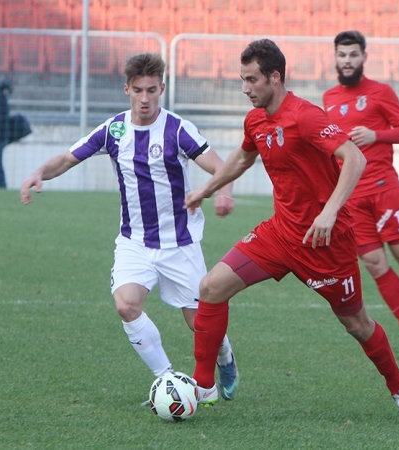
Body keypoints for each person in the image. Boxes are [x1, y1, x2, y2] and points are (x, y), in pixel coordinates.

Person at [184, 39, 399, 421]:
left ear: (275, 77)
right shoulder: (256, 119)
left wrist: (329, 213)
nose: (245, 88)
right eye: (242, 80)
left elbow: (355, 158)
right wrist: (204, 189)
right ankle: (203, 385)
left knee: (357, 324)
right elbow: (242, 159)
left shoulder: (306, 116)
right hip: (280, 235)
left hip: (327, 244)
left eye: (251, 80)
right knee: (211, 287)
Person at [20, 53, 240, 405]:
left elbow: (221, 166)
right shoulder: (114, 130)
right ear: (127, 89)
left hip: (179, 243)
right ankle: (168, 381)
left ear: (162, 89)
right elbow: (67, 157)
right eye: (138, 90)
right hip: (134, 242)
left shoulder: (177, 129)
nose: (145, 98)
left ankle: (226, 358)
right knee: (126, 305)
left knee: (199, 323)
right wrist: (38, 173)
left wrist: (225, 192)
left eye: (152, 90)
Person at [323, 30, 399, 360]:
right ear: (335, 58)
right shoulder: (329, 98)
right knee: (375, 263)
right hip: (352, 198)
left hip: (384, 189)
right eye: (342, 55)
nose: (347, 61)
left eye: (353, 55)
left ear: (364, 57)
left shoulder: (381, 92)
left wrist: (376, 134)